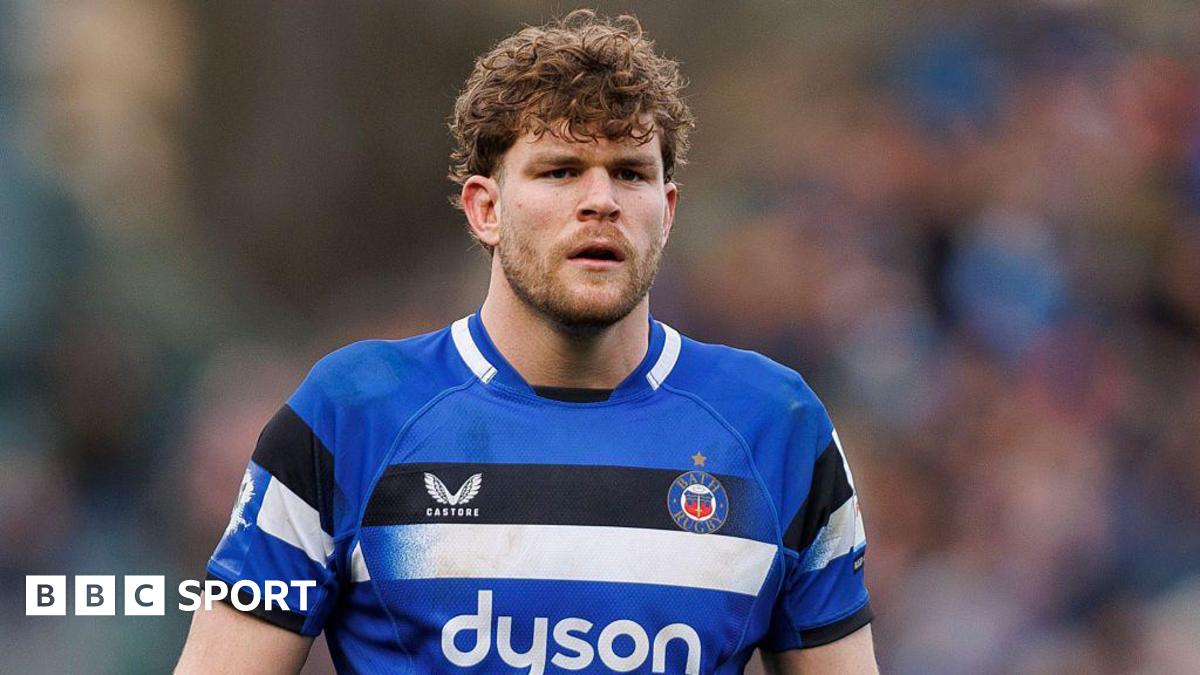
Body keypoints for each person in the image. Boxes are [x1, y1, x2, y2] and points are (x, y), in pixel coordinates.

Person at [176, 10, 877, 674]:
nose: (601, 199)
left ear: (665, 211)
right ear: (486, 208)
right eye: (561, 170)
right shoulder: (353, 413)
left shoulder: (776, 425)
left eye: (631, 173)